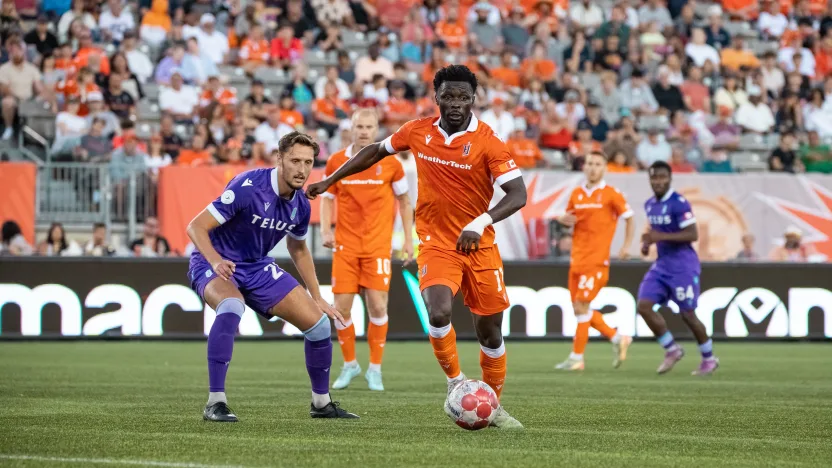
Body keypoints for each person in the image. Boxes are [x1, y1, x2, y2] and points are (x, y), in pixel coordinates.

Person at [306, 65, 527, 429]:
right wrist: (329, 179)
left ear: (474, 99)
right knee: (438, 312)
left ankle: (493, 404)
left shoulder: (488, 141)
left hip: (480, 246)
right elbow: (375, 151)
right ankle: (456, 383)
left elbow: (518, 194)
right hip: (437, 243)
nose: (455, 103)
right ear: (436, 96)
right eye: (448, 96)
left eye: (463, 96)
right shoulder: (418, 131)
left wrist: (480, 221)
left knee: (490, 333)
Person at [187, 131, 357, 421]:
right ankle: (215, 402)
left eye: (308, 162)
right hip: (213, 259)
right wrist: (215, 261)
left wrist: (317, 297)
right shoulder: (247, 186)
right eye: (294, 161)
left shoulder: (302, 204)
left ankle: (321, 403)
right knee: (231, 306)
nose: (302, 169)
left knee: (318, 327)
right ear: (279, 159)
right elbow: (195, 226)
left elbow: (298, 248)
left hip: (256, 266)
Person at [321, 109, 414, 391]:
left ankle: (375, 368)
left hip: (377, 247)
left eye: (369, 126)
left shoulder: (390, 163)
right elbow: (327, 197)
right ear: (351, 128)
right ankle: (350, 364)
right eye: (359, 126)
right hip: (346, 247)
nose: (363, 131)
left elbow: (405, 200)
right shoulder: (337, 161)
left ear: (376, 129)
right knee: (341, 308)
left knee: (377, 305)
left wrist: (409, 240)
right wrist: (326, 229)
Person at [553, 151, 635, 371]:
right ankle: (617, 338)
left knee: (582, 307)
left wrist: (626, 246)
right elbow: (568, 220)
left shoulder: (611, 194)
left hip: (597, 261)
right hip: (576, 260)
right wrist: (562, 220)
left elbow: (629, 218)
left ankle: (576, 357)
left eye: (597, 164)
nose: (592, 167)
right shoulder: (576, 194)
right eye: (589, 163)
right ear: (584, 166)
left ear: (604, 168)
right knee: (579, 310)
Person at [637, 161, 719, 376]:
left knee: (687, 314)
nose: (658, 182)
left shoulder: (679, 203)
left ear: (670, 178)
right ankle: (672, 349)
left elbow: (692, 234)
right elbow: (657, 232)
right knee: (644, 306)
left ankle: (709, 358)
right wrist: (648, 244)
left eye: (662, 177)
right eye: (654, 178)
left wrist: (659, 236)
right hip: (662, 265)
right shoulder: (649, 205)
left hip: (683, 266)